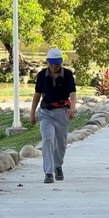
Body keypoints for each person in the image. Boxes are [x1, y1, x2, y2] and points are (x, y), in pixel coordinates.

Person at [30, 48, 77, 184]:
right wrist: (32, 113)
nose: (54, 66)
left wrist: (72, 108)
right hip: (46, 112)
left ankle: (58, 165)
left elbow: (73, 93)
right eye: (51, 63)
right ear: (48, 62)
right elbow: (37, 95)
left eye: (57, 63)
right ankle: (49, 172)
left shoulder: (67, 75)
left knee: (61, 144)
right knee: (48, 140)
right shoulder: (41, 75)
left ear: (61, 62)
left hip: (62, 112)